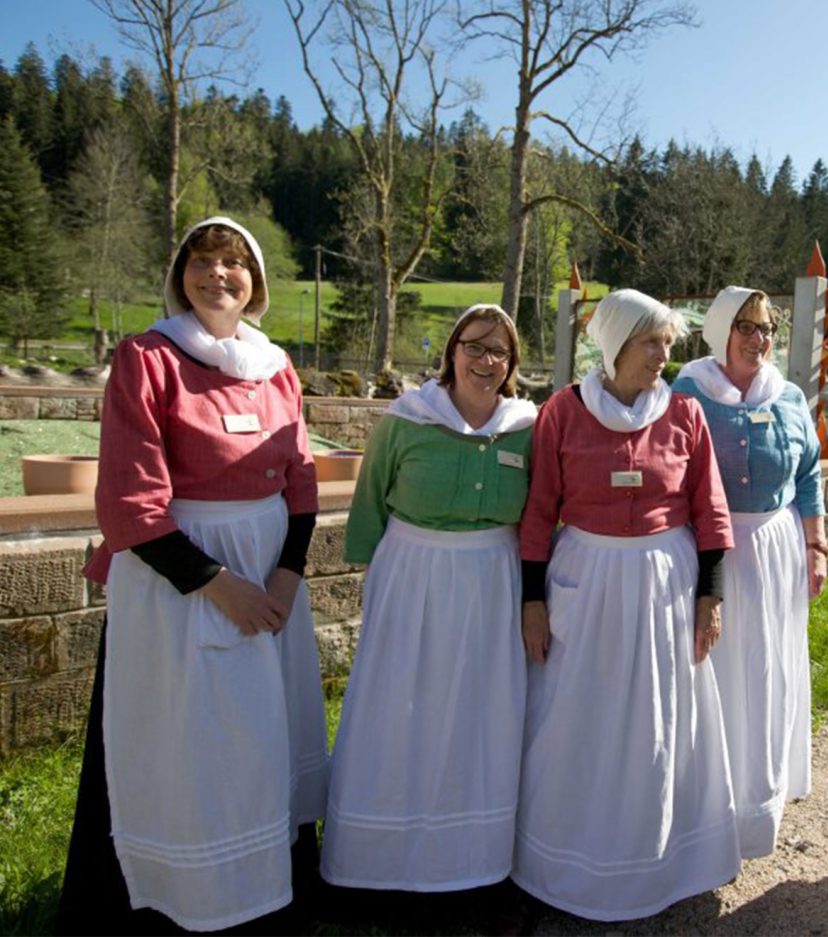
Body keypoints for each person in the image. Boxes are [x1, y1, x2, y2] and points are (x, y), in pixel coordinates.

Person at [57, 217, 328, 933]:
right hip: (180, 580)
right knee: (192, 732)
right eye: (203, 261)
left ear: (256, 282)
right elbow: (128, 500)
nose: (218, 275)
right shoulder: (148, 358)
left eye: (234, 263)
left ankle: (270, 877)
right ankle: (189, 888)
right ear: (181, 275)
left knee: (266, 728)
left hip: (270, 577)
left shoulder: (277, 367)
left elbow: (301, 481)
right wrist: (219, 584)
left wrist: (282, 580)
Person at [513, 288, 740, 921]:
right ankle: (567, 859)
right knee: (575, 715)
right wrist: (533, 600)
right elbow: (538, 513)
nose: (662, 356)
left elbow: (709, 507)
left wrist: (710, 594)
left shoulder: (685, 415)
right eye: (651, 343)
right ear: (614, 346)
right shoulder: (563, 412)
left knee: (659, 720)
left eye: (669, 344)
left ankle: (657, 858)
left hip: (664, 584)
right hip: (584, 582)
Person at [320, 306, 536, 904]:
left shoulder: (528, 427)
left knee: (482, 709)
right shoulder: (407, 419)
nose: (486, 361)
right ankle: (379, 862)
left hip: (493, 578)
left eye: (499, 352)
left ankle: (474, 861)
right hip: (413, 575)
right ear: (451, 351)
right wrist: (376, 581)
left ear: (512, 364)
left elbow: (543, 510)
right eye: (475, 346)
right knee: (401, 703)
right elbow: (370, 501)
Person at [671, 285, 825, 859]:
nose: (758, 339)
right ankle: (708, 794)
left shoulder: (786, 395)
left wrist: (817, 545)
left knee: (765, 665)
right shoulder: (686, 392)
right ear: (719, 332)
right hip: (712, 550)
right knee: (718, 664)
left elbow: (808, 473)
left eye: (766, 330)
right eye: (746, 327)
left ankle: (760, 787)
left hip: (773, 548)